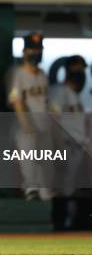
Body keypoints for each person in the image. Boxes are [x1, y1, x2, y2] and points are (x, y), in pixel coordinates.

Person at [7, 32, 52, 201]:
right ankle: (30, 190)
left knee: (44, 161)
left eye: (38, 49)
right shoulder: (17, 73)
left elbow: (46, 102)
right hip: (24, 124)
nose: (36, 52)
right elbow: (15, 100)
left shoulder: (42, 75)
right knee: (28, 159)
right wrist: (25, 124)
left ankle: (43, 191)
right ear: (24, 51)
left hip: (42, 123)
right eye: (32, 49)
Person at [49, 55, 88, 229]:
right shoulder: (58, 91)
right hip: (65, 145)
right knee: (62, 190)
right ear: (67, 70)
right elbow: (52, 121)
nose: (79, 73)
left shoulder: (75, 96)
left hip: (77, 148)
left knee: (70, 189)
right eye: (76, 69)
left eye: (81, 69)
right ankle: (58, 229)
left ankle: (67, 227)